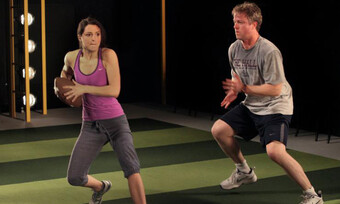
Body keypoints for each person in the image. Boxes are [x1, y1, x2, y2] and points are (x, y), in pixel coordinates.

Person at [211, 2, 323, 204]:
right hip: (252, 104)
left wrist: (244, 88)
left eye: (240, 22)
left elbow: (275, 89)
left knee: (274, 151)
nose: (235, 26)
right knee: (219, 130)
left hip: (276, 106)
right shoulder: (234, 49)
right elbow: (237, 76)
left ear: (254, 24)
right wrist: (234, 91)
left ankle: (312, 195)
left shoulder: (269, 51)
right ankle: (244, 171)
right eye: (234, 22)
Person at [59, 17, 147, 204]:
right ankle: (101, 187)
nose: (94, 39)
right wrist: (62, 90)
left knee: (132, 169)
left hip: (115, 121)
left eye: (97, 34)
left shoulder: (108, 55)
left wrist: (83, 88)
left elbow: (114, 90)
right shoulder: (71, 57)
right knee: (74, 177)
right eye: (89, 34)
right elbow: (64, 75)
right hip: (90, 125)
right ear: (80, 37)